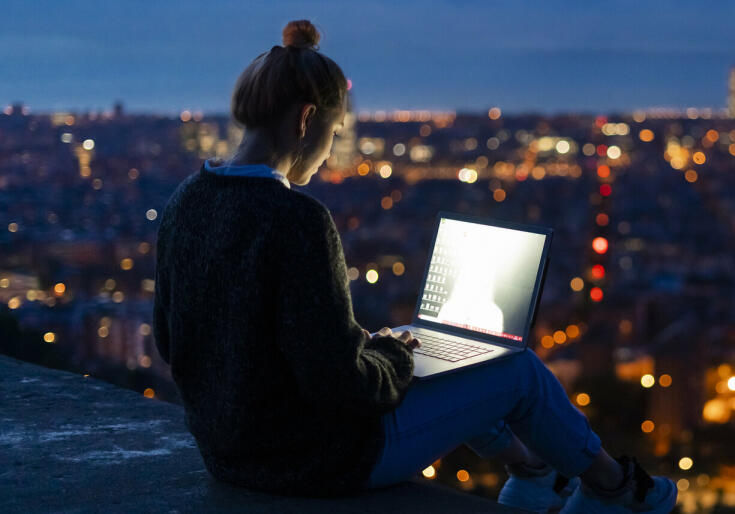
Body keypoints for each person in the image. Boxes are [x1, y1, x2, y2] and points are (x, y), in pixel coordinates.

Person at [151, 19, 676, 513]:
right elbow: (345, 385)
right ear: (307, 119)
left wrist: (369, 348)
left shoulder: (185, 201)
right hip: (314, 461)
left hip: (228, 454)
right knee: (514, 370)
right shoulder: (296, 220)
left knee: (441, 361)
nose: (330, 151)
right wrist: (390, 359)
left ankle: (533, 470)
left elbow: (172, 342)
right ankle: (615, 489)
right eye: (333, 133)